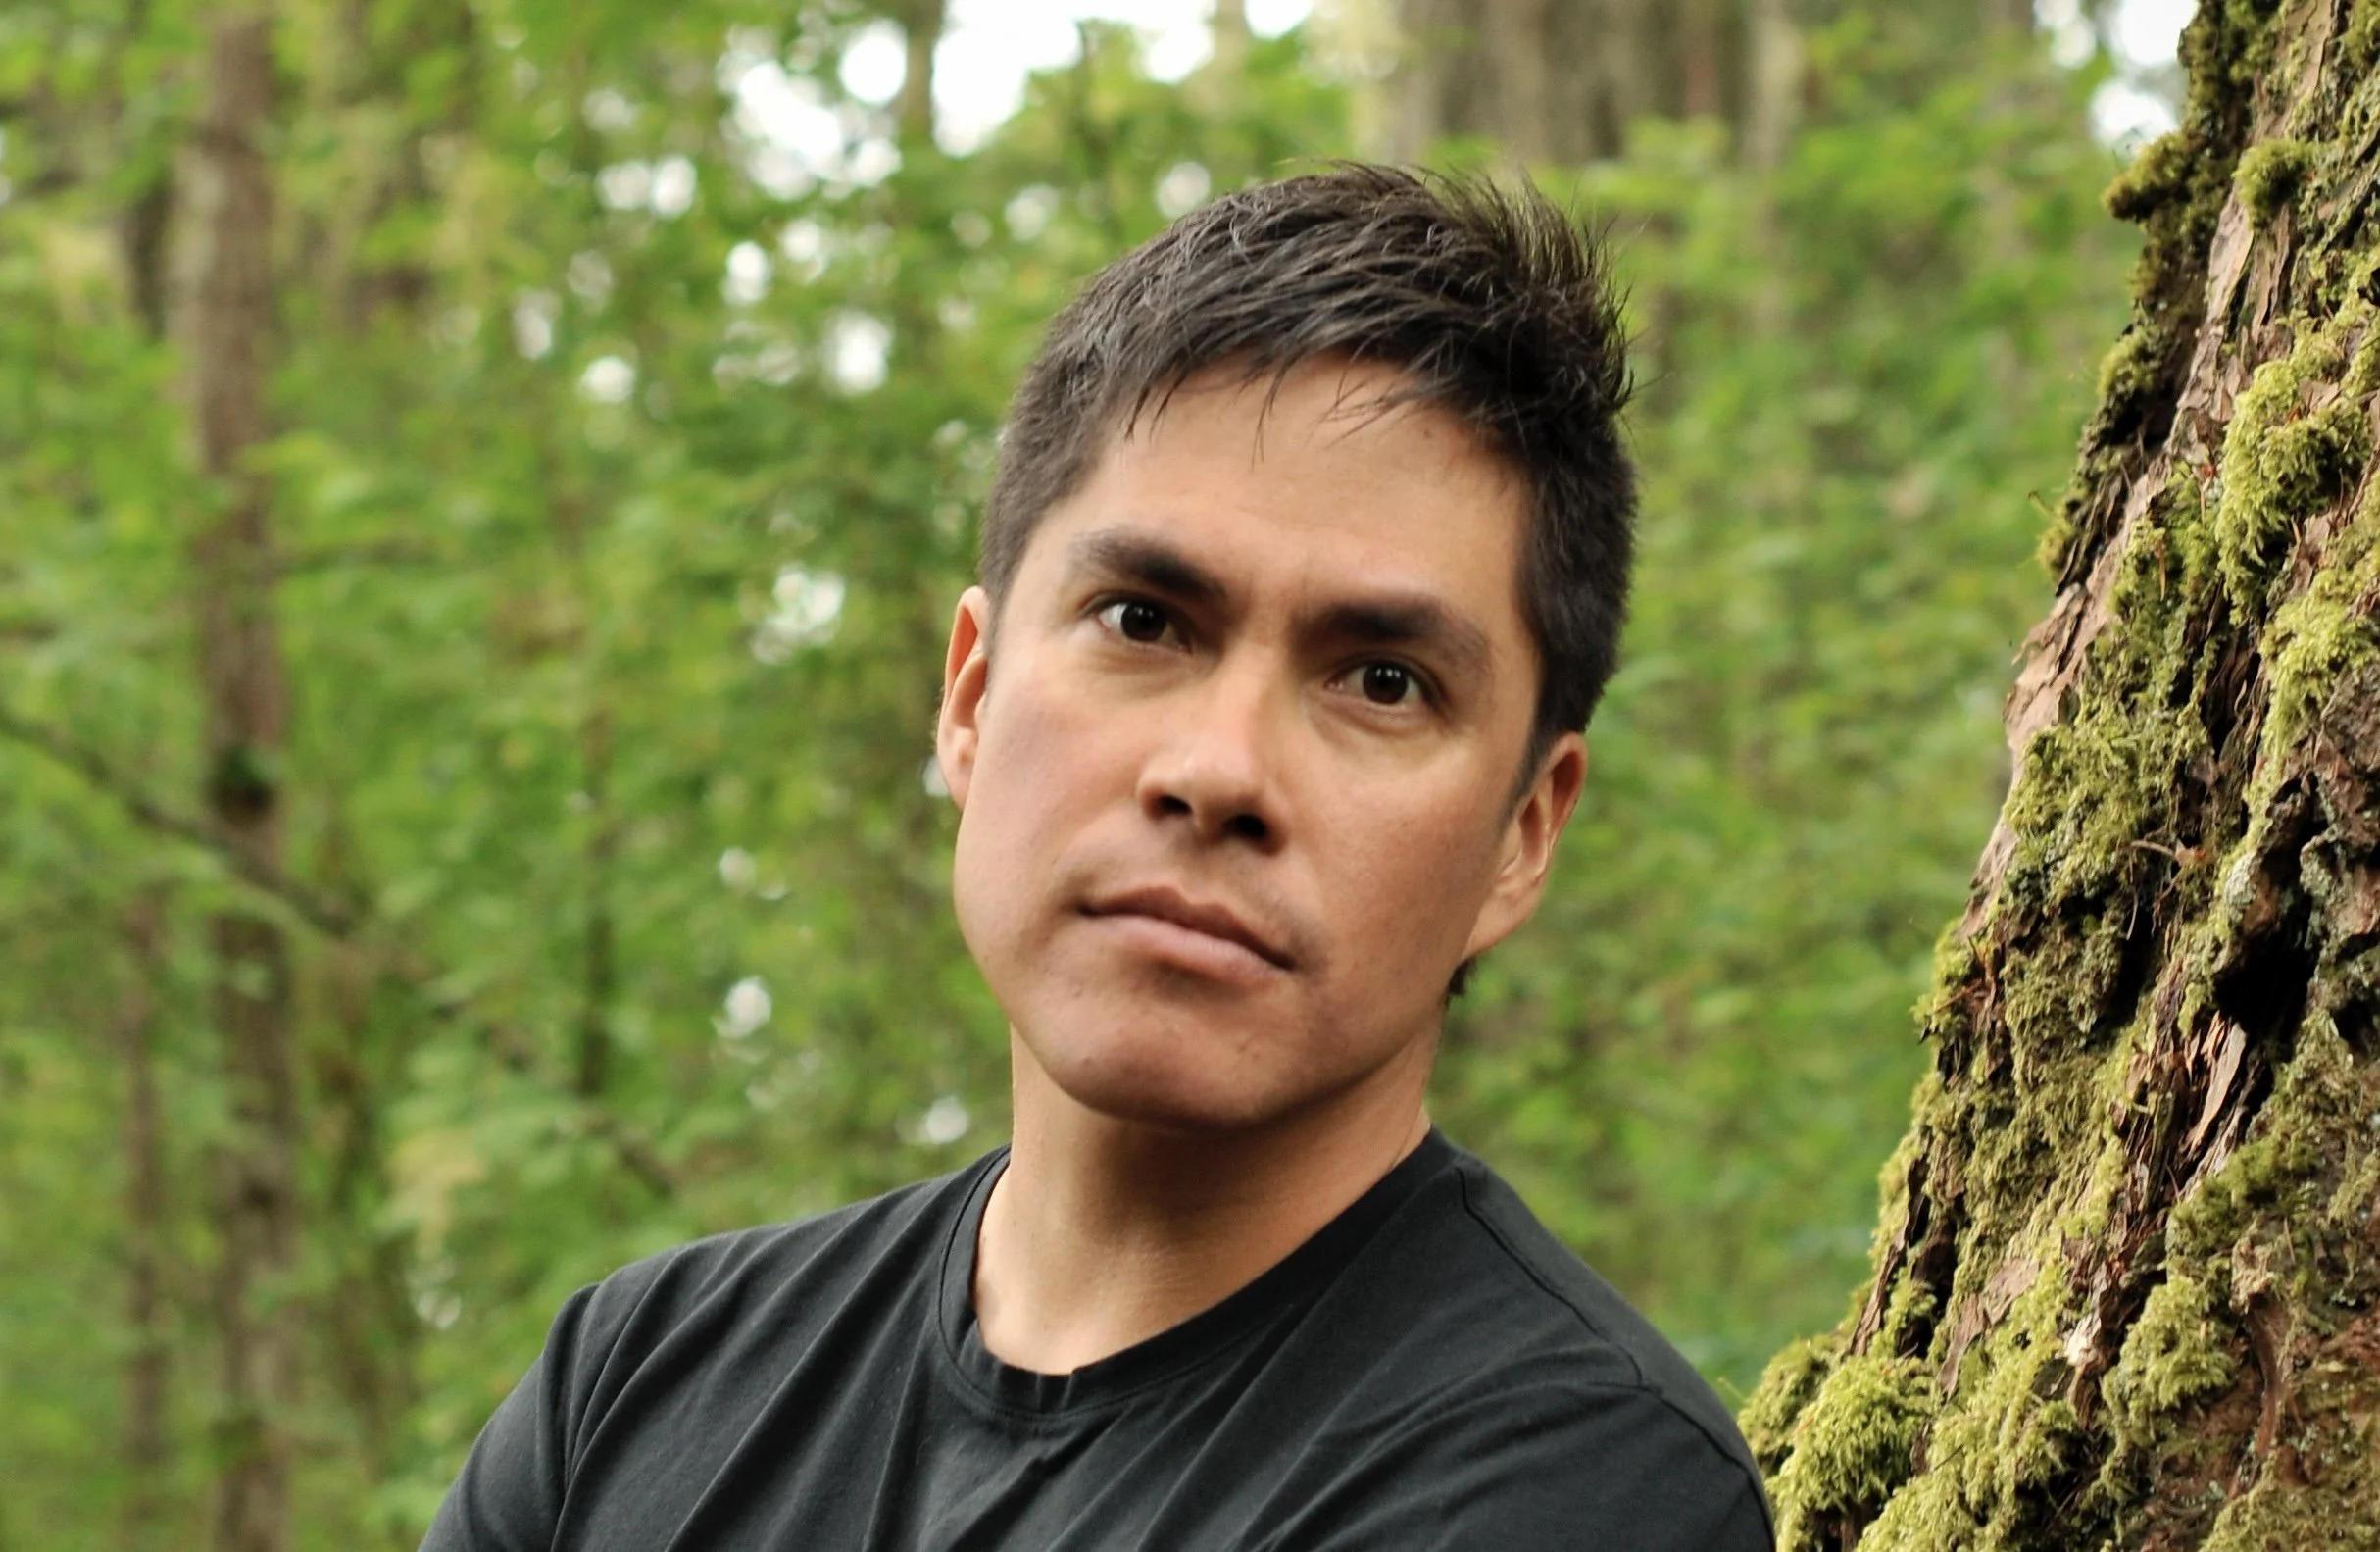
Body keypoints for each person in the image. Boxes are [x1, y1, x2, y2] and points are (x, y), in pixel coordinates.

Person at [422, 165, 1773, 1551]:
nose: (1218, 770)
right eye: (1143, 618)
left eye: (1380, 680)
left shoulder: (1579, 1485)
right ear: (971, 695)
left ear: (1522, 834)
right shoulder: (641, 1388)